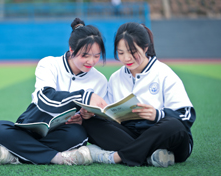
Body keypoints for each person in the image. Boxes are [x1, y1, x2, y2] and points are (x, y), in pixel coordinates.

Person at [73, 22, 196, 167]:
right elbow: (108, 114)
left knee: (174, 126)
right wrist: (93, 114)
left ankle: (116, 157)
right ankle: (151, 157)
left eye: (132, 52)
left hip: (164, 136)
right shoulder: (115, 78)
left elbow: (187, 116)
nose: (127, 58)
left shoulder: (164, 73)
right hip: (131, 134)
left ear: (145, 48)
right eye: (121, 53)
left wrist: (158, 115)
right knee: (90, 122)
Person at [0, 18, 108, 165]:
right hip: (34, 122)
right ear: (71, 50)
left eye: (97, 56)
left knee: (79, 135)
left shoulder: (100, 80)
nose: (91, 61)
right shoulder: (49, 64)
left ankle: (16, 155)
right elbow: (45, 99)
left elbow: (99, 116)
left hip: (62, 131)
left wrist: (84, 117)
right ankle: (58, 158)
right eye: (85, 55)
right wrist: (84, 96)